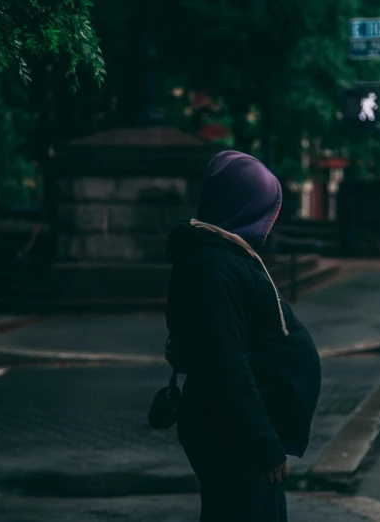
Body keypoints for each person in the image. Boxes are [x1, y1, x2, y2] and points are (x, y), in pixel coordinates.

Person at [164, 151, 322, 522]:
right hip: (234, 442)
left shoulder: (221, 256)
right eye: (266, 211)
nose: (269, 223)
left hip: (234, 437)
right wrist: (264, 445)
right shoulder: (215, 267)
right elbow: (227, 365)